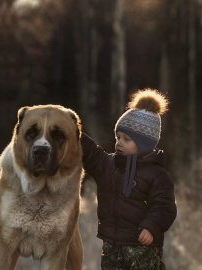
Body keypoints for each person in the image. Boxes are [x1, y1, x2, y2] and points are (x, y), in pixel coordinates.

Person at [81, 88, 177, 270]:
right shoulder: (109, 164)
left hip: (141, 248)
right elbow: (92, 154)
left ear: (143, 145)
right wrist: (74, 131)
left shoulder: (157, 174)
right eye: (118, 137)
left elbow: (164, 206)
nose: (119, 142)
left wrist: (151, 227)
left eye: (127, 139)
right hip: (112, 245)